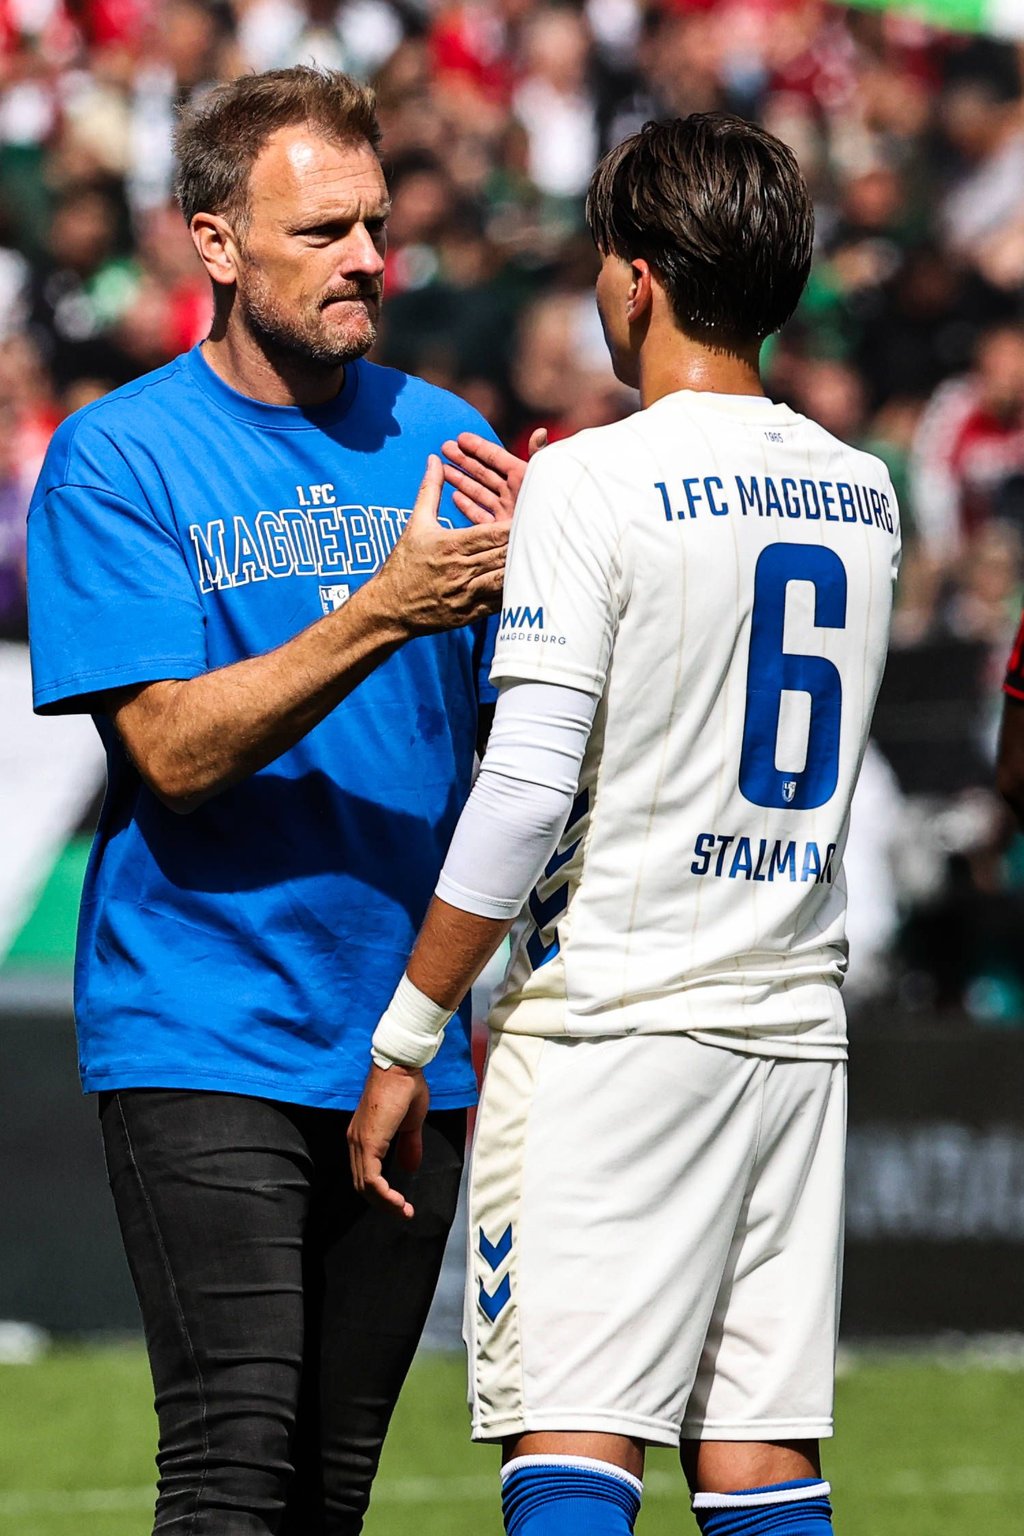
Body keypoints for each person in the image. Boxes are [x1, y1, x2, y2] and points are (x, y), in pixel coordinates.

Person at [350, 114, 901, 1536]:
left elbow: (527, 787)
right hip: (792, 1025)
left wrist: (409, 1035)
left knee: (578, 1447)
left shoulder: (595, 479)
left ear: (639, 279)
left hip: (613, 1029)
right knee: (762, 1459)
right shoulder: (862, 493)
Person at [27, 65, 533, 1535]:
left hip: (409, 1039)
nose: (369, 257)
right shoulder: (119, 457)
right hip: (206, 1027)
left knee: (328, 1494)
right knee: (233, 1469)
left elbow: (526, 733)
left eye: (374, 224)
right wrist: (384, 609)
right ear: (216, 241)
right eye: (322, 232)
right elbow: (172, 755)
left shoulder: (441, 430)